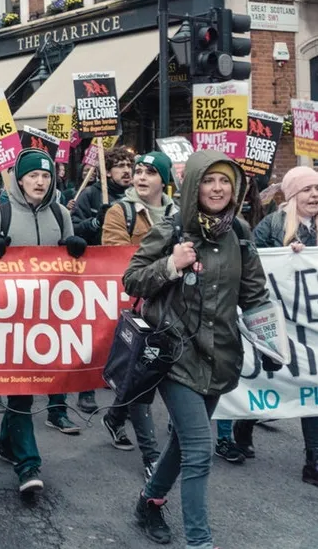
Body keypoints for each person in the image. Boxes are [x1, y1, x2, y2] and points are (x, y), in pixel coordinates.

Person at [123, 151, 273, 548]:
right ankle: (200, 541)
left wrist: (272, 341)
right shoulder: (172, 230)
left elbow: (255, 293)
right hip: (175, 357)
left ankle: (149, 501)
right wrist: (170, 265)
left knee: (182, 444)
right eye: (209, 181)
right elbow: (132, 280)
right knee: (199, 450)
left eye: (225, 181)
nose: (218, 188)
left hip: (220, 357)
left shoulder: (239, 232)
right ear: (194, 186)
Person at [0, 148, 86, 495]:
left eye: (46, 175)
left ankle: (6, 440)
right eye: (33, 176)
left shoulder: (60, 213)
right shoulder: (1, 215)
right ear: (20, 179)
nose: (40, 181)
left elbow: (74, 271)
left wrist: (76, 250)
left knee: (25, 389)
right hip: (10, 318)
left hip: (47, 319)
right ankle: (28, 465)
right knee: (22, 391)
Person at [219, 165, 318, 485]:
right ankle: (244, 427)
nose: (314, 195)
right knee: (270, 378)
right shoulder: (271, 226)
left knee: (310, 382)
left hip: (311, 322)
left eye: (317, 189)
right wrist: (288, 257)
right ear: (291, 195)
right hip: (278, 319)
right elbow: (251, 263)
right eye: (306, 189)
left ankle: (313, 461)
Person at [99, 151, 175, 480]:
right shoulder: (122, 211)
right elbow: (118, 255)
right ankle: (152, 456)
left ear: (164, 180)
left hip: (179, 312)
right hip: (142, 305)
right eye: (138, 171)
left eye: (150, 172)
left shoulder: (182, 213)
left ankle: (115, 417)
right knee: (143, 380)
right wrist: (171, 261)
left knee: (151, 377)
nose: (141, 177)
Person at [70, 145, 135, 413]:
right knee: (93, 331)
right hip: (95, 273)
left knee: (124, 332)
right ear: (107, 172)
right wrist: (96, 223)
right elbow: (73, 231)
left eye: (129, 166)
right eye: (120, 166)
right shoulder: (91, 195)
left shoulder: (136, 197)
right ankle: (86, 389)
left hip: (126, 273)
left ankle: (121, 388)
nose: (127, 171)